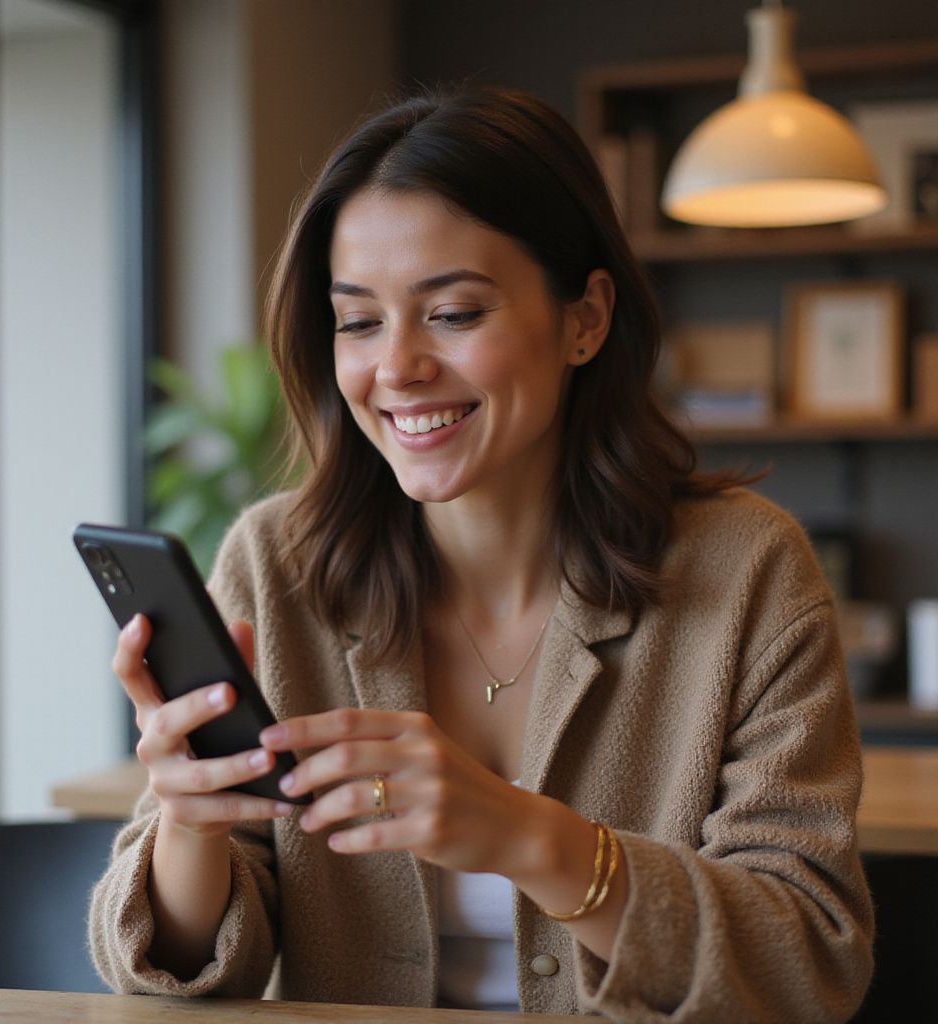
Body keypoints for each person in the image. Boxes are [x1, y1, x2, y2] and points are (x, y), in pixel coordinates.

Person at [89, 86, 873, 1021]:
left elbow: (809, 962)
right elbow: (159, 973)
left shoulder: (748, 571)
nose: (396, 368)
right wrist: (189, 817)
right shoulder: (274, 564)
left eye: (454, 313)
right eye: (359, 320)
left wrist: (523, 834)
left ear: (584, 319)